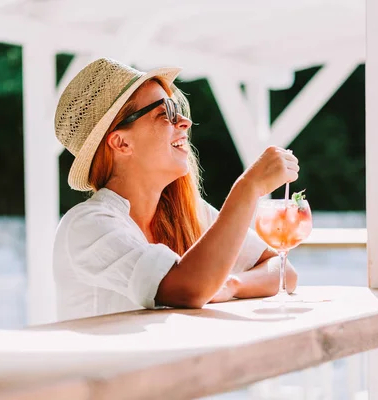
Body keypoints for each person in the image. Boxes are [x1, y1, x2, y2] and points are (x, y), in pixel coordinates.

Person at [52, 58, 299, 321]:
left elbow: (283, 271)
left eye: (178, 109)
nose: (184, 122)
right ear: (121, 142)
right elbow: (187, 289)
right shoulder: (87, 226)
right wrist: (248, 187)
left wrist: (231, 284)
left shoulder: (187, 212)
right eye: (166, 112)